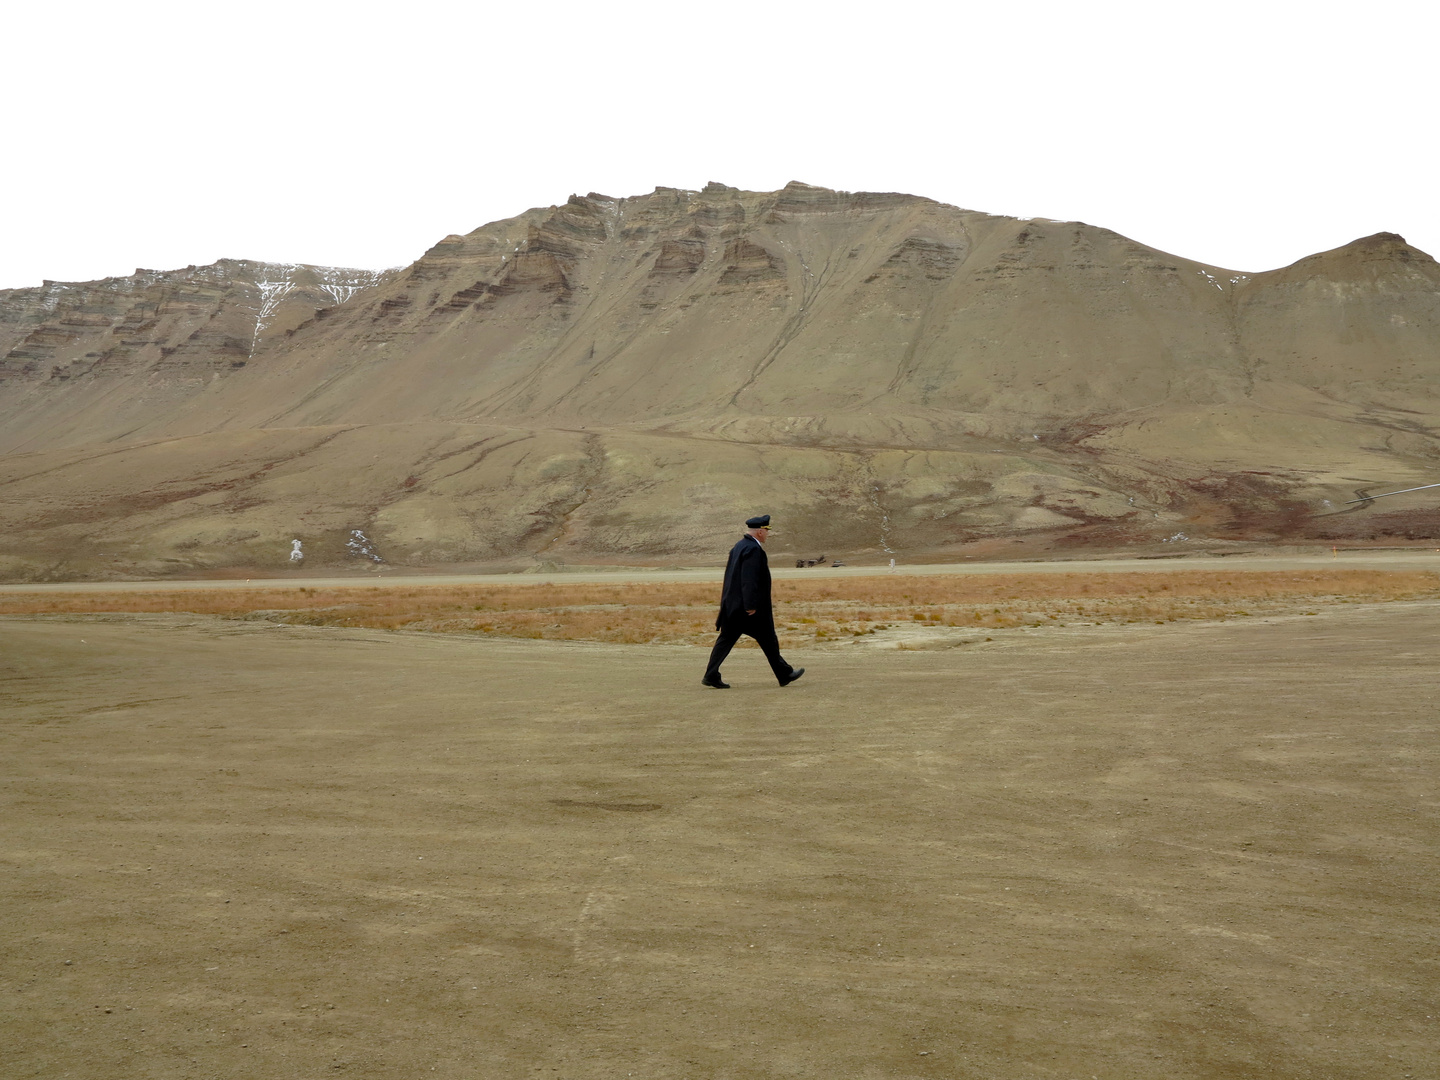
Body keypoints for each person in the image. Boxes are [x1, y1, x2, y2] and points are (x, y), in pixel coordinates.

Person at [702, 514, 804, 689]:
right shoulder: (753, 550)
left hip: (733, 606)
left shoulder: (739, 547)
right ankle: (784, 673)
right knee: (768, 638)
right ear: (759, 532)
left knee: (728, 639)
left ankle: (711, 675)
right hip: (748, 609)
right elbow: (748, 579)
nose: (767, 534)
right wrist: (750, 605)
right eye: (766, 530)